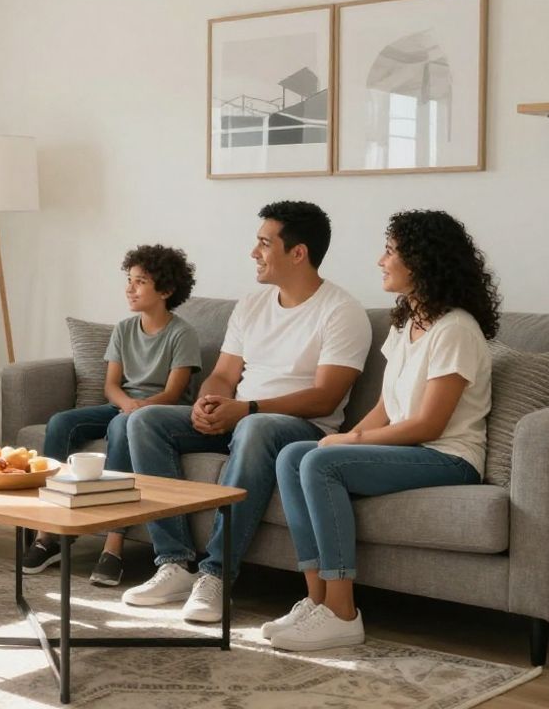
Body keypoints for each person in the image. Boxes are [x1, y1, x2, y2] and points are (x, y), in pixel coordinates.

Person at [123, 201, 372, 625]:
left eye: (264, 243)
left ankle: (217, 574)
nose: (253, 252)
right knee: (144, 420)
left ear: (298, 253)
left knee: (256, 428)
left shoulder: (341, 311)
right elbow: (223, 374)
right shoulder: (252, 304)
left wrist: (247, 409)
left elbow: (325, 398)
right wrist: (209, 401)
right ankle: (174, 563)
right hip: (241, 415)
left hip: (298, 428)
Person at [265, 210, 497, 652]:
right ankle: (316, 601)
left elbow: (429, 424)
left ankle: (342, 614)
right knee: (294, 455)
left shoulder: (456, 330)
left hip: (449, 457)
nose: (380, 261)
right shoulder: (409, 323)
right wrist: (336, 441)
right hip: (413, 450)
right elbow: (386, 406)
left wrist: (348, 442)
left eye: (390, 252)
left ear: (422, 261)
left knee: (319, 463)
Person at [21, 244, 201, 587]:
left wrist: (138, 409)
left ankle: (113, 545)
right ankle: (48, 534)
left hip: (160, 412)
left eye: (140, 282)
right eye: (129, 280)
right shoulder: (124, 329)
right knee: (61, 423)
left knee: (121, 426)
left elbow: (173, 393)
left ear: (165, 290)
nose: (130, 288)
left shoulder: (182, 334)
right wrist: (127, 403)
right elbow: (111, 385)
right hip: (123, 404)